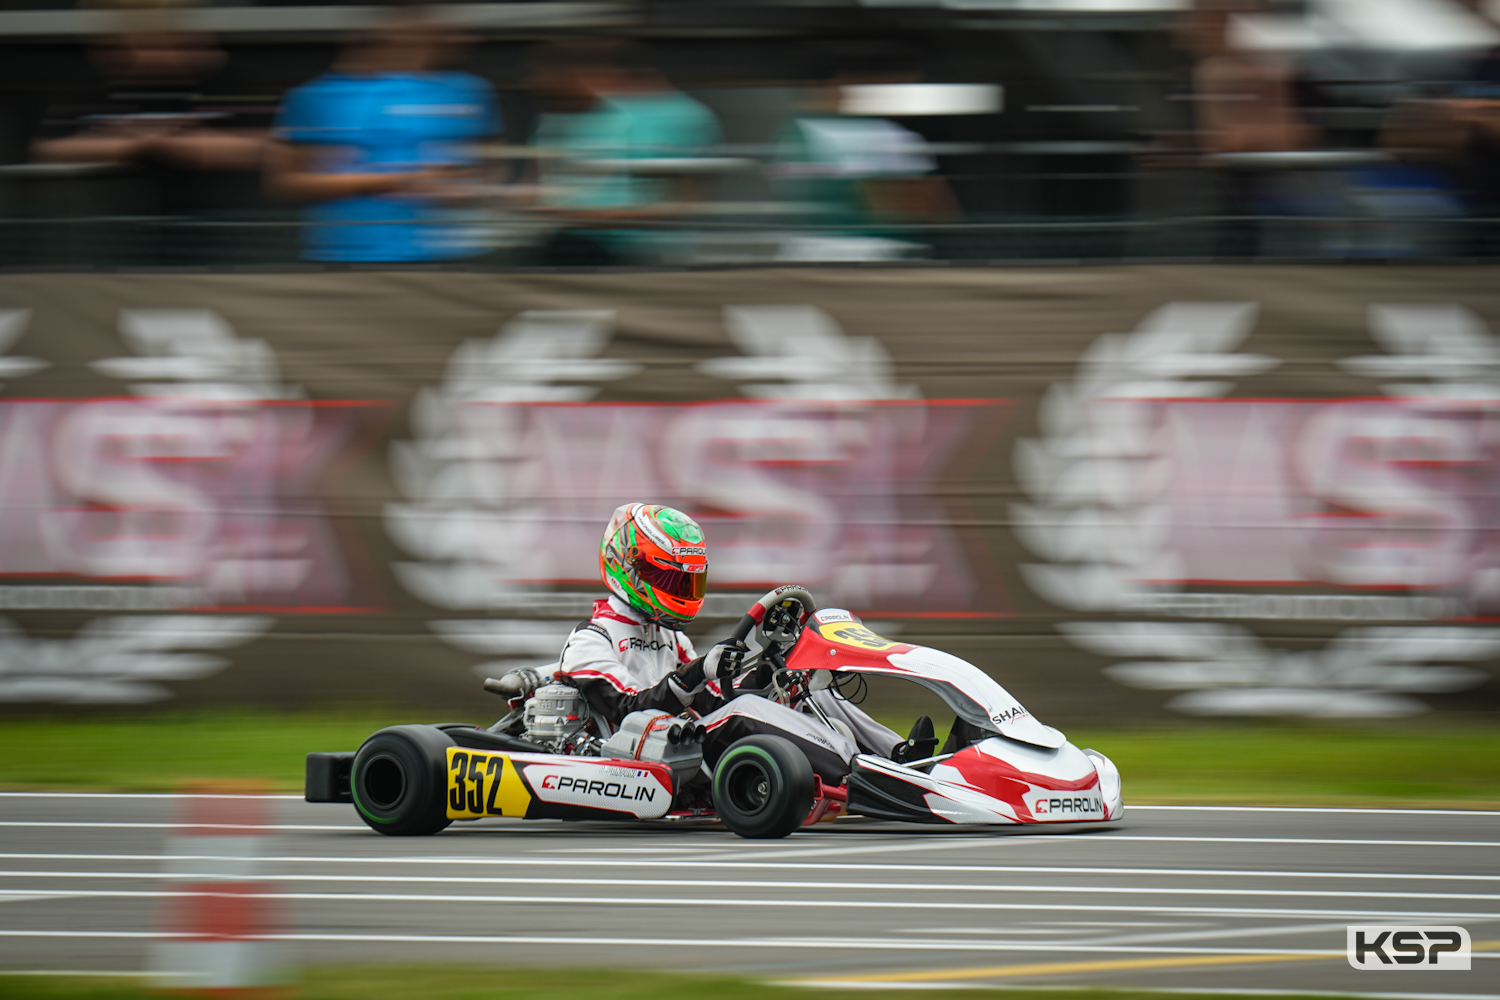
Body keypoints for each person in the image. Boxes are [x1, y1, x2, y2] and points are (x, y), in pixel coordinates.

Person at [500, 502, 927, 785]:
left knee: (804, 691)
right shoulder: (591, 639)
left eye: (686, 579)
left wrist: (766, 673)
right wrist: (698, 672)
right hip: (633, 752)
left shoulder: (670, 636)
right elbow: (628, 708)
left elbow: (713, 699)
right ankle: (864, 776)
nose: (680, 589)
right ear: (628, 568)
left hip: (682, 741)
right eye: (668, 578)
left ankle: (903, 760)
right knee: (742, 713)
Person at [264, 5, 500, 263]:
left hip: (452, 254)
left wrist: (470, 188)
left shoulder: (470, 90)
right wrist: (399, 180)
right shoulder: (314, 96)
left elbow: (492, 168)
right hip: (350, 256)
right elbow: (285, 181)